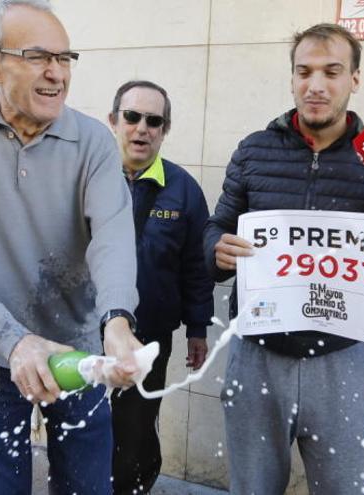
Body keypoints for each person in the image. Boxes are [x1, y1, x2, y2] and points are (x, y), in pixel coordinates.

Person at [0, 1, 143, 493]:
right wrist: (13, 341)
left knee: (87, 486)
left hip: (81, 350)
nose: (55, 74)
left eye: (65, 59)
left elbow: (112, 234)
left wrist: (117, 321)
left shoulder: (94, 142)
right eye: (39, 56)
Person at [203, 23, 364, 494]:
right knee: (252, 487)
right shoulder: (254, 150)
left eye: (332, 71)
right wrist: (215, 249)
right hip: (257, 350)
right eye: (304, 71)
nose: (316, 85)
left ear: (354, 79)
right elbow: (217, 227)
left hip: (341, 357)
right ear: (291, 79)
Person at [107, 80, 215, 494]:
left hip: (151, 338)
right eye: (132, 117)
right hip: (86, 336)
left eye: (155, 121)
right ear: (114, 120)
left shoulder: (183, 188)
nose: (142, 128)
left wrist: (198, 329)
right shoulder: (90, 178)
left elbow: (196, 267)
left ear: (164, 130)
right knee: (87, 428)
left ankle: (135, 487)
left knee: (136, 430)